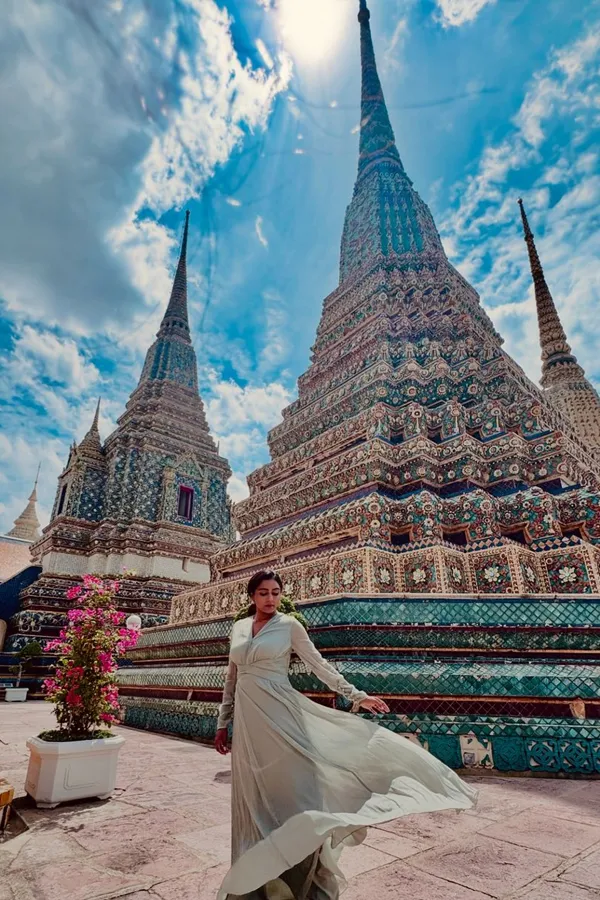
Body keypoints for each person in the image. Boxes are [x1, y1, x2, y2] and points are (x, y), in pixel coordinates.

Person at [215, 571, 476, 900]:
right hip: (249, 723)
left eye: (276, 592)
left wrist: (357, 695)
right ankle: (254, 883)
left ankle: (302, 874)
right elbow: (232, 678)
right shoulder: (239, 629)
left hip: (282, 714)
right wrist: (223, 722)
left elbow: (318, 665)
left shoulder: (289, 626)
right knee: (252, 796)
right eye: (264, 593)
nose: (270, 599)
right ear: (252, 596)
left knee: (293, 795)